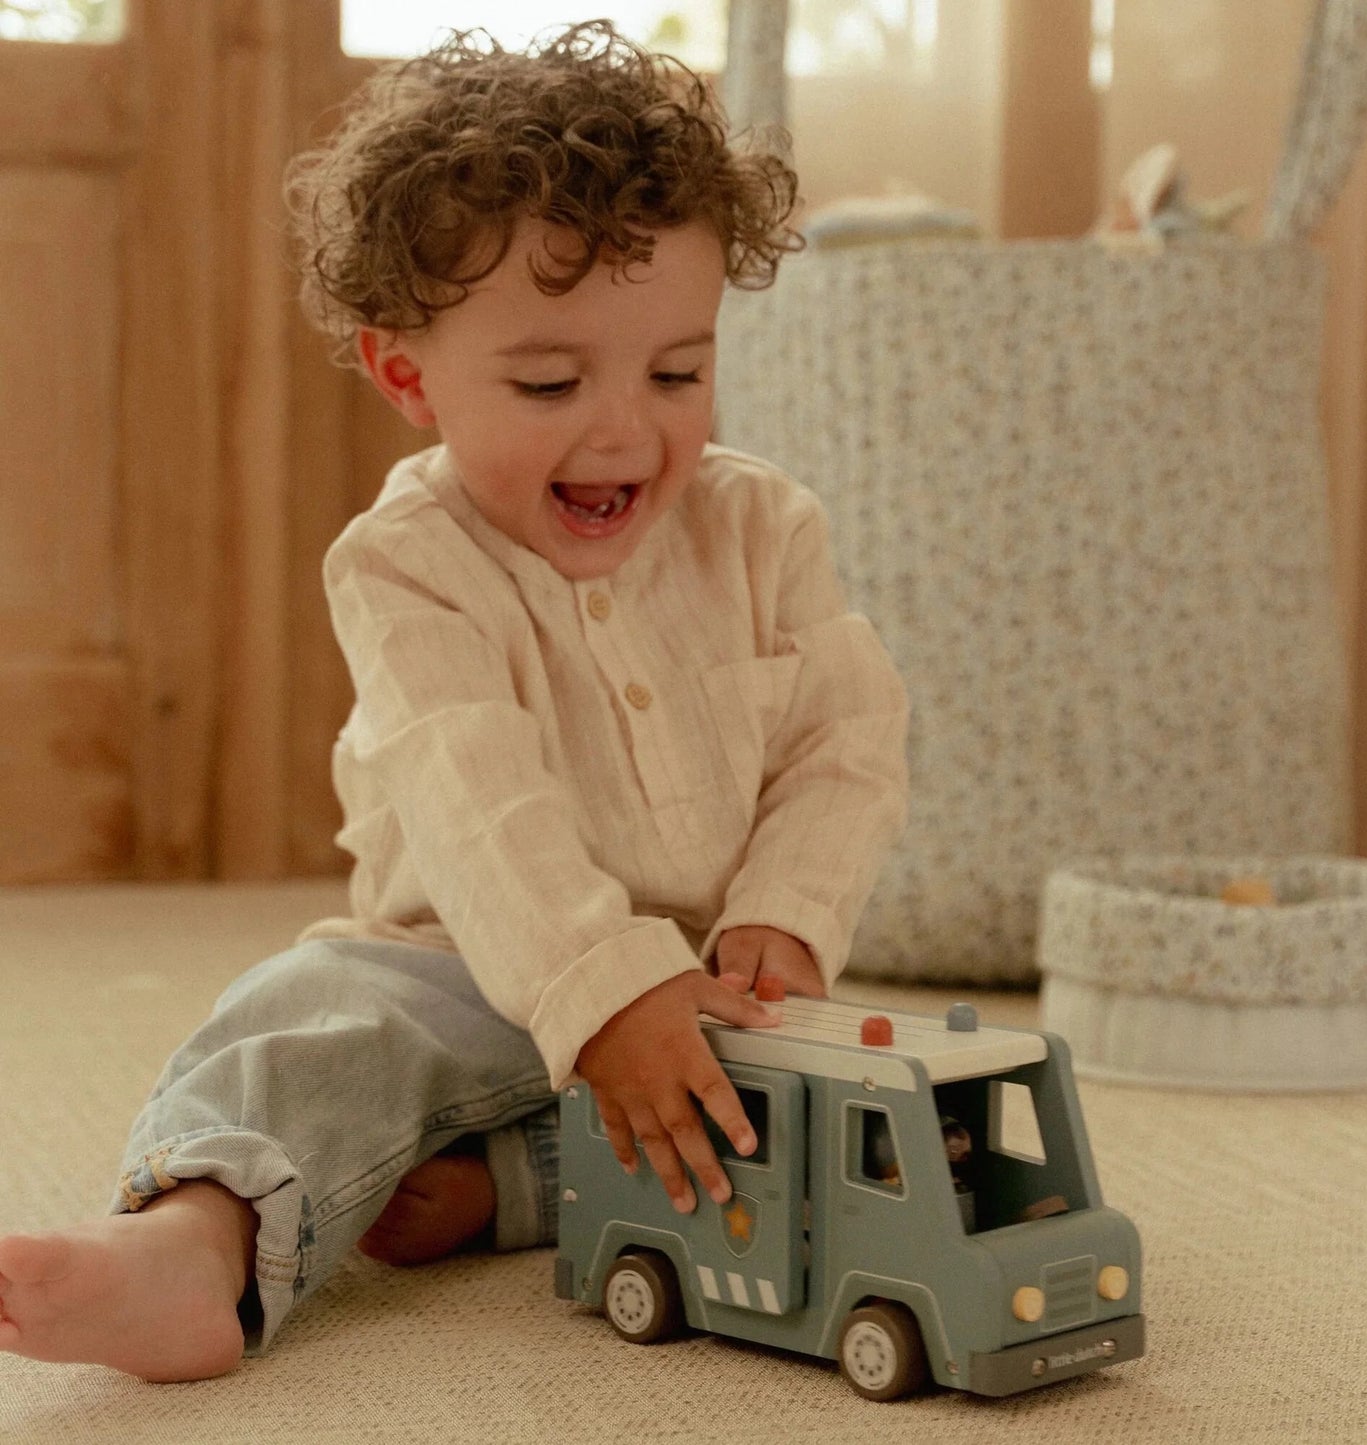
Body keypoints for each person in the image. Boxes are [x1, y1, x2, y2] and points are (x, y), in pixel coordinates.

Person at [0, 22, 908, 1383]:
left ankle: (511, 1187)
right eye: (550, 381)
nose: (625, 430)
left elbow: (846, 737)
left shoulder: (764, 526)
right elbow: (476, 793)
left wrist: (780, 917)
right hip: (456, 975)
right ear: (408, 376)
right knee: (302, 1024)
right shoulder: (405, 562)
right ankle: (197, 1246)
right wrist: (602, 995)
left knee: (866, 1118)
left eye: (677, 369)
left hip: (706, 984)